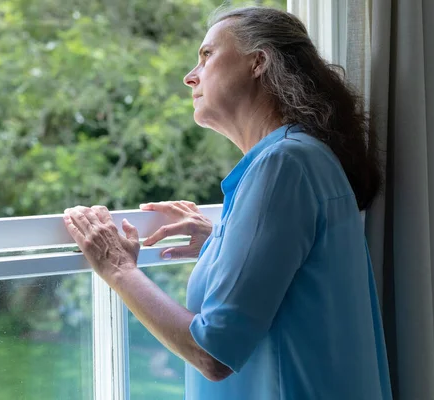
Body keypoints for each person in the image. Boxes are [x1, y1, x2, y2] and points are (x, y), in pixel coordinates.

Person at [63, 6, 392, 400]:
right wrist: (222, 242)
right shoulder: (304, 157)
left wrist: (118, 268)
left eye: (206, 55)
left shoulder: (283, 165)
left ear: (258, 62)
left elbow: (213, 352)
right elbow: (294, 278)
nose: (190, 76)